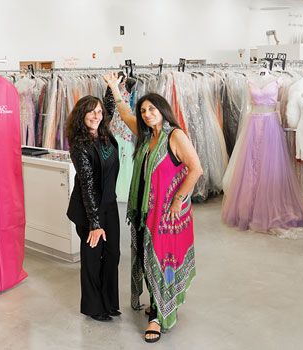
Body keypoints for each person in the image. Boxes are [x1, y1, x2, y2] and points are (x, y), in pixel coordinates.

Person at [104, 72, 203, 343]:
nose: (147, 114)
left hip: (167, 214)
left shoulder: (175, 136)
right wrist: (114, 88)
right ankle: (158, 303)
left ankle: (159, 316)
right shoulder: (147, 136)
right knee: (148, 260)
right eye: (144, 110)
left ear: (163, 110)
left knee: (161, 261)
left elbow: (196, 169)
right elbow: (124, 113)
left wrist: (177, 200)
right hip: (145, 211)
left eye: (152, 109)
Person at [65, 95, 121, 322]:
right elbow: (87, 187)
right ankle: (93, 306)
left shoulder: (104, 133)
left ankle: (109, 301)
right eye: (91, 112)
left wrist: (112, 88)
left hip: (109, 204)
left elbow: (108, 108)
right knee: (92, 257)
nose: (97, 115)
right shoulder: (79, 145)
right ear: (82, 115)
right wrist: (95, 224)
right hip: (89, 210)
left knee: (112, 254)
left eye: (99, 112)